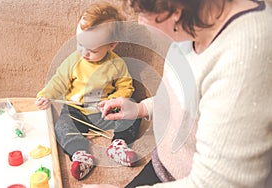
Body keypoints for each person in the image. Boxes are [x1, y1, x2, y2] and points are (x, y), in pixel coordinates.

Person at [83, 0, 272, 187]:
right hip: (165, 167)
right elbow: (194, 99)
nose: (139, 22)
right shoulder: (195, 19)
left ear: (173, 8)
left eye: (142, 12)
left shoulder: (245, 60)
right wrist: (142, 108)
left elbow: (218, 182)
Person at [35, 2, 141, 180]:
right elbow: (59, 81)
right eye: (80, 44)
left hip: (106, 112)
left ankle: (119, 145)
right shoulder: (73, 61)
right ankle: (81, 154)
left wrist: (114, 100)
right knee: (62, 126)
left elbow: (126, 86)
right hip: (78, 112)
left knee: (134, 108)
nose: (84, 52)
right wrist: (46, 95)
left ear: (112, 45)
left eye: (92, 50)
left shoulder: (116, 64)